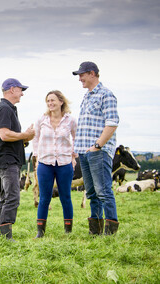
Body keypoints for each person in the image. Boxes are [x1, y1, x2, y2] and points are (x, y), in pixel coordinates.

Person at [72, 61, 120, 235]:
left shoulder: (106, 95)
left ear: (92, 73)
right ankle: (95, 231)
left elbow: (112, 123)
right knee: (91, 192)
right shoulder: (87, 96)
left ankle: (110, 231)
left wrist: (97, 146)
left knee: (104, 191)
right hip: (84, 152)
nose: (80, 79)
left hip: (98, 152)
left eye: (82, 75)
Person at [0, 78, 35, 241]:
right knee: (13, 196)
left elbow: (8, 135)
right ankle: (6, 235)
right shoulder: (4, 109)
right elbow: (4, 134)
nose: (22, 93)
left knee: (6, 196)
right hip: (7, 160)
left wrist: (24, 139)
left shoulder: (7, 108)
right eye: (20, 90)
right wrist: (25, 135)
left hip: (7, 159)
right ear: (12, 89)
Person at [32, 90, 77, 238]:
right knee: (44, 198)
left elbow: (76, 138)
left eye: (53, 100)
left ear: (61, 102)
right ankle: (40, 232)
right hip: (45, 163)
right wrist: (37, 159)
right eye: (48, 101)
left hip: (64, 163)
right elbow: (35, 140)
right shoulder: (41, 120)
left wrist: (73, 156)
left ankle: (68, 231)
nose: (50, 103)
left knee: (66, 197)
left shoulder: (70, 120)